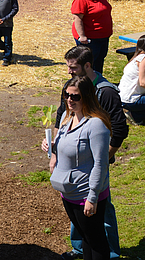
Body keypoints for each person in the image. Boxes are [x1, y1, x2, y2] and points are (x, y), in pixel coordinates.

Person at [43, 46, 127, 260]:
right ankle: (80, 249)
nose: (69, 99)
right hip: (71, 186)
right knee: (85, 230)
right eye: (67, 96)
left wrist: (102, 157)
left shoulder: (105, 93)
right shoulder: (71, 105)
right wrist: (54, 152)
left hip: (89, 183)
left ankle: (112, 253)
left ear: (87, 66)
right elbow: (59, 122)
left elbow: (119, 129)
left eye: (74, 68)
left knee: (99, 224)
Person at [50, 76, 112, 260]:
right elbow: (64, 152)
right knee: (86, 238)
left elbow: (100, 163)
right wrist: (51, 148)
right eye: (67, 95)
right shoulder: (66, 118)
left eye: (75, 97)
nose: (70, 100)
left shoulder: (96, 125)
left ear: (86, 97)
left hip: (86, 194)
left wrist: (92, 197)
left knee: (96, 242)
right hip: (68, 192)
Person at [71, 0, 113, 74]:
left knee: (99, 60)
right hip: (89, 40)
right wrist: (82, 36)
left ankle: (96, 83)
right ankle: (85, 85)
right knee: (88, 64)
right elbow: (77, 19)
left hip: (103, 36)